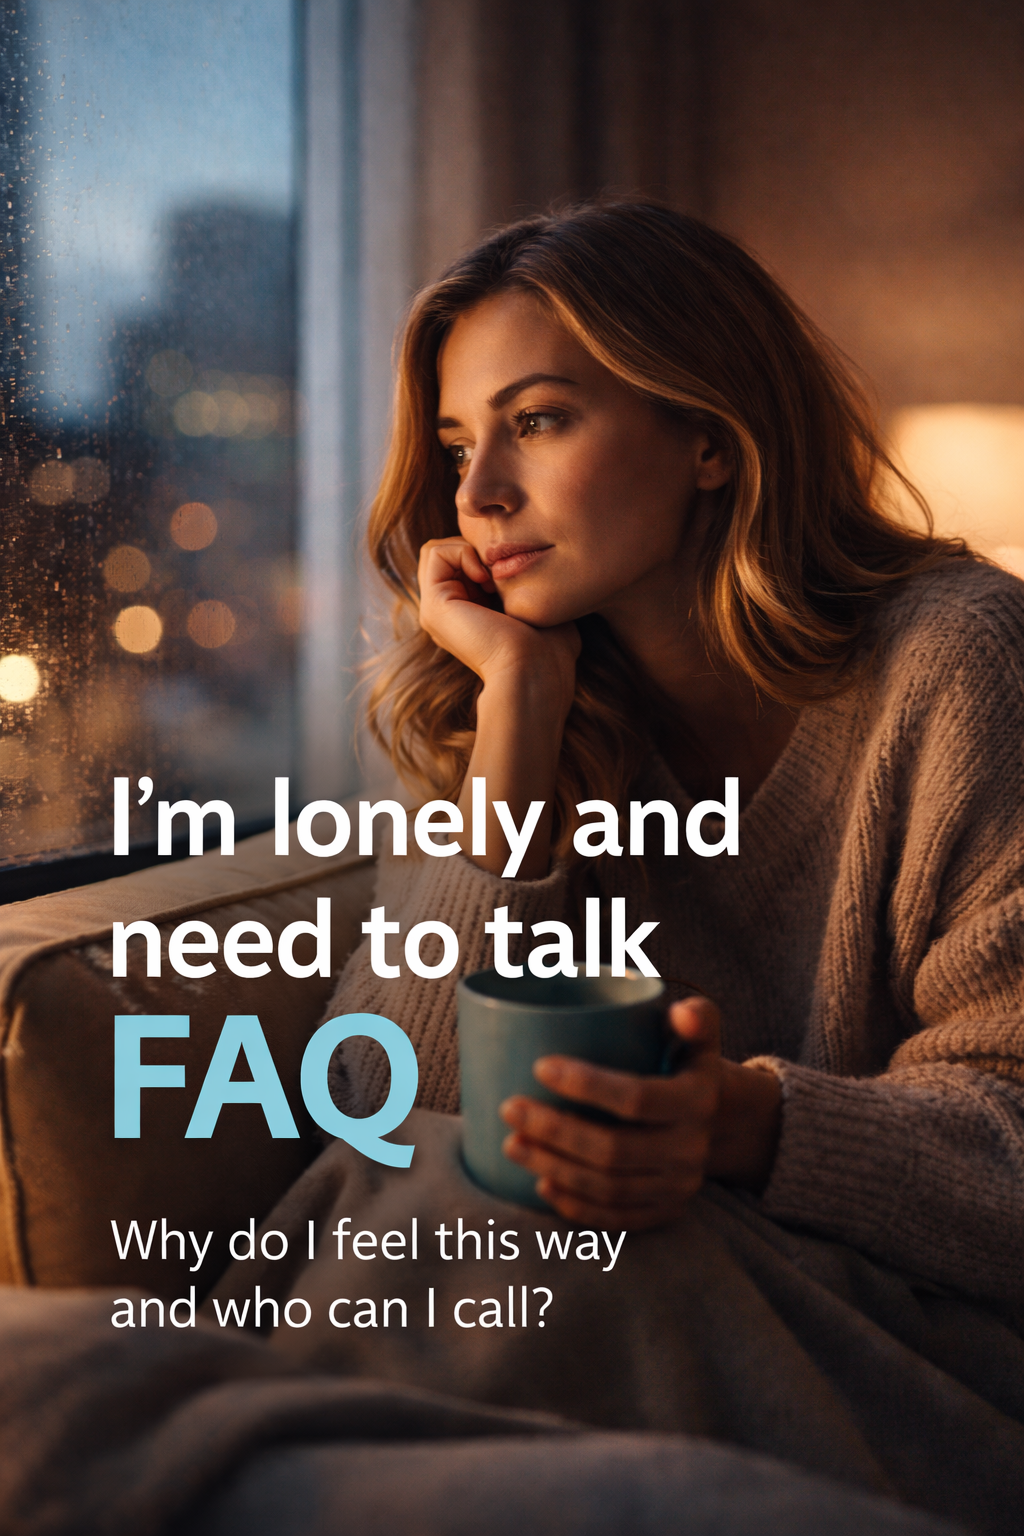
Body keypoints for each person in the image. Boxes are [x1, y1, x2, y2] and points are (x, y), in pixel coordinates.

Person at [328, 200, 1024, 1310]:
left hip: (917, 1334)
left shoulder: (961, 663)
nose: (475, 494)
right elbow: (379, 1103)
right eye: (459, 446)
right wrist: (519, 707)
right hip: (625, 1301)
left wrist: (751, 1125)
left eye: (540, 420)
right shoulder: (515, 701)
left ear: (708, 435)